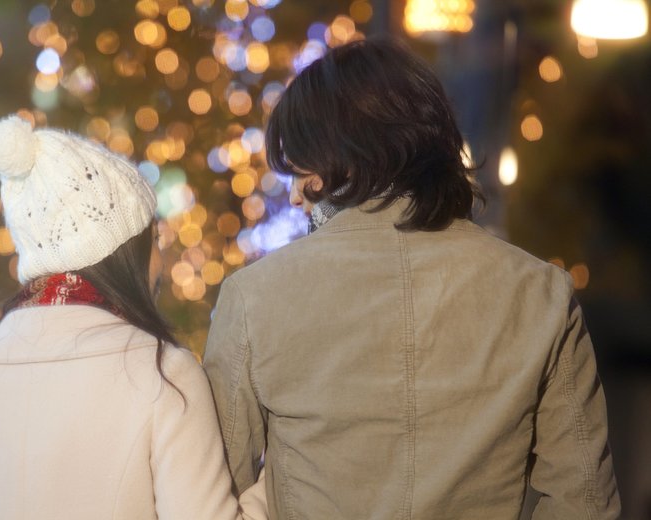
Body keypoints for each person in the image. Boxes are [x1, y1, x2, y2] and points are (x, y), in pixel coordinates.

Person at [203, 37, 620, 519]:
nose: (296, 198)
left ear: (348, 156)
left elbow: (213, 497)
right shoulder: (541, 291)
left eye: (301, 171)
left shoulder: (254, 297)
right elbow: (585, 501)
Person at [0, 115, 267, 520]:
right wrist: (279, 477)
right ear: (123, 253)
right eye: (155, 237)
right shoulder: (164, 374)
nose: (163, 258)